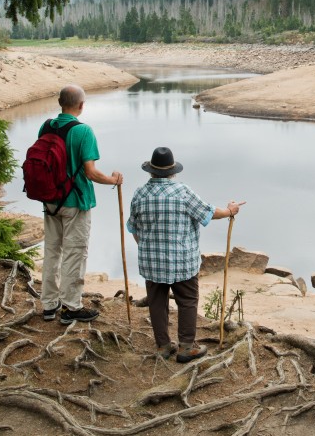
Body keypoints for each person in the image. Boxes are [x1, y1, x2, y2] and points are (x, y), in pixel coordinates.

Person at [127, 146, 244, 363]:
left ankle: (163, 346)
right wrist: (230, 210)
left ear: (151, 171)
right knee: (188, 301)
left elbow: (134, 229)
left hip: (152, 263)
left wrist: (148, 248)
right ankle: (186, 347)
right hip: (183, 262)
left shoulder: (140, 193)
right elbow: (209, 212)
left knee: (157, 303)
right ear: (172, 171)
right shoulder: (182, 192)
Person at [40, 84, 123, 325]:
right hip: (75, 201)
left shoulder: (45, 126)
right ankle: (71, 307)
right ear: (81, 105)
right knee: (74, 253)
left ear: (59, 102)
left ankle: (49, 305)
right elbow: (90, 172)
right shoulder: (83, 131)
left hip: (50, 200)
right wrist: (113, 180)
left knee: (52, 250)